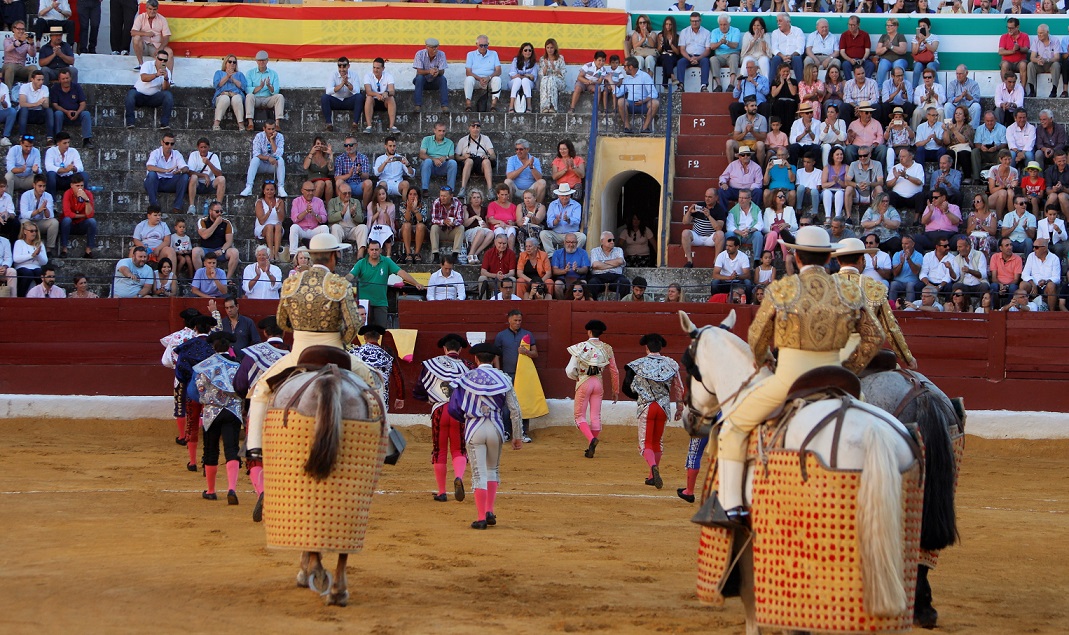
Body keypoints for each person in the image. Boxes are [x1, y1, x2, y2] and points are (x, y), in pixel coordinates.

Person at [709, 226, 884, 529]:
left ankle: (732, 508)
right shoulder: (851, 291)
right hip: (836, 381)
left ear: (794, 256)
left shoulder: (782, 290)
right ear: (829, 257)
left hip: (788, 382)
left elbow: (756, 338)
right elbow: (875, 337)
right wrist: (849, 370)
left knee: (732, 428)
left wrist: (768, 360)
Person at [244, 234, 385, 510]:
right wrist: (341, 341)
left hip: (299, 353)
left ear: (311, 256)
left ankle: (255, 447)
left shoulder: (291, 282)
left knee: (261, 389)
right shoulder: (340, 284)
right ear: (333, 257)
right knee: (374, 383)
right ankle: (387, 442)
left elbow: (282, 322)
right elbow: (354, 324)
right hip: (336, 349)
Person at [447, 342, 523, 530]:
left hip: (474, 427)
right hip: (496, 426)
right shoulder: (504, 378)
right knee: (492, 470)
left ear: (476, 358)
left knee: (479, 473)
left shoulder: (466, 377)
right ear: (495, 359)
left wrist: (465, 417)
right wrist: (517, 435)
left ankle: (481, 518)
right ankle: (489, 511)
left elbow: (454, 407)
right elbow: (515, 409)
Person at [832, 238, 916, 369]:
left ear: (838, 260)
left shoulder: (824, 285)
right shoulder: (874, 287)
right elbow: (890, 328)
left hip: (831, 354)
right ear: (862, 259)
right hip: (864, 354)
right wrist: (907, 358)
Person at [414, 334, 473, 502]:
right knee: (458, 449)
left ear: (444, 349)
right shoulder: (468, 366)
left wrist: (429, 400)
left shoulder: (431, 364)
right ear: (460, 350)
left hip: (439, 410)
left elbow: (419, 389)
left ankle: (441, 492)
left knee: (439, 451)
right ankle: (459, 477)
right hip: (459, 411)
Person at [192, 331, 243, 504]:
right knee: (232, 449)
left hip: (211, 412)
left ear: (213, 347)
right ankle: (232, 489)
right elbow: (244, 386)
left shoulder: (205, 365)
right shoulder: (238, 365)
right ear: (229, 347)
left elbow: (198, 389)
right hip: (232, 411)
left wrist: (207, 400)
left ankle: (211, 490)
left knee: (211, 450)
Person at [566, 320, 619, 459]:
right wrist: (615, 390)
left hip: (584, 381)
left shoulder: (581, 347)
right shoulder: (607, 348)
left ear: (589, 332)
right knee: (595, 415)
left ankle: (591, 440)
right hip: (598, 383)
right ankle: (591, 445)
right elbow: (614, 371)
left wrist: (576, 377)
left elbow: (570, 370)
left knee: (579, 416)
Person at [174, 314, 217, 471]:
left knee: (192, 424)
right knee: (210, 425)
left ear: (195, 329)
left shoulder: (187, 346)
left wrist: (189, 380)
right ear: (210, 328)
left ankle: (192, 462)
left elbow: (180, 371)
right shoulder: (216, 345)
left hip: (193, 391)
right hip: (213, 393)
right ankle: (208, 458)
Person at [348, 240, 424, 328]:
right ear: (368, 250)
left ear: (380, 250)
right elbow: (351, 275)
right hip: (364, 303)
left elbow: (401, 272)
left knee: (381, 330)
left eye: (376, 249)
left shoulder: (386, 261)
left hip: (381, 302)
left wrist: (416, 283)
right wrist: (343, 281)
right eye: (372, 249)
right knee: (362, 330)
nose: (374, 252)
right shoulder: (361, 263)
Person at [125, 47, 172, 129]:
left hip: (153, 97)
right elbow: (144, 78)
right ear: (156, 58)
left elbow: (165, 89)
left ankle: (164, 123)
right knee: (131, 94)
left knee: (168, 95)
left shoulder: (167, 71)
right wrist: (156, 75)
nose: (162, 62)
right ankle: (130, 122)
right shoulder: (147, 64)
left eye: (165, 60)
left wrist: (166, 78)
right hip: (139, 95)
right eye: (160, 59)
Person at [144, 131, 189, 214]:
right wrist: (165, 170)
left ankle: (177, 207)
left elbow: (185, 167)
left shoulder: (176, 154)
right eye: (167, 143)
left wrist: (181, 170)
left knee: (185, 176)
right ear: (162, 142)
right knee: (151, 175)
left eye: (172, 144)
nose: (169, 146)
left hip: (170, 182)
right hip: (156, 182)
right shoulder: (155, 153)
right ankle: (154, 206)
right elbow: (149, 166)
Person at [193, 201, 239, 281]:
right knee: (195, 251)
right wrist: (216, 224)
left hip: (220, 249)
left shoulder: (226, 223)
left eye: (221, 211)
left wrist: (222, 250)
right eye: (217, 211)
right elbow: (204, 235)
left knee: (235, 252)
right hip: (206, 250)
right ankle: (200, 278)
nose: (219, 213)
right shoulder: (202, 221)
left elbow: (229, 241)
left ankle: (227, 279)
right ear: (210, 211)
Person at [240, 121, 286, 198]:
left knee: (280, 160)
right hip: (261, 164)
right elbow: (256, 153)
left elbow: (278, 154)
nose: (271, 131)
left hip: (273, 165)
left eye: (273, 129)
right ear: (264, 129)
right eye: (269, 129)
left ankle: (281, 187)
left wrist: (272, 140)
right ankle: (249, 187)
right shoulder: (259, 136)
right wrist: (268, 158)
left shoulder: (280, 136)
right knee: (255, 160)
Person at [681, 188, 725, 268]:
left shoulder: (720, 209)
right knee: (685, 233)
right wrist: (689, 212)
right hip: (697, 237)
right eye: (706, 196)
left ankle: (716, 262)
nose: (707, 199)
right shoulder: (699, 206)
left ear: (716, 198)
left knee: (720, 234)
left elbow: (718, 228)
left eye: (710, 197)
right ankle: (689, 261)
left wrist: (709, 216)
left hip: (710, 238)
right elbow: (685, 222)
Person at [243, 50, 284, 132]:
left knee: (280, 97)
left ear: (267, 61)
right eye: (259, 60)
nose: (261, 62)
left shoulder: (273, 74)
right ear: (256, 61)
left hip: (268, 98)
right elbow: (247, 89)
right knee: (249, 96)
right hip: (256, 98)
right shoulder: (250, 73)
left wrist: (269, 86)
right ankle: (250, 123)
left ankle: (277, 124)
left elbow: (276, 91)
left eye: (263, 60)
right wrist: (260, 87)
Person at [321, 56, 363, 133]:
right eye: (339, 66)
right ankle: (329, 124)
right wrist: (341, 85)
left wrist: (347, 84)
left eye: (344, 66)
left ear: (348, 66)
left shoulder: (354, 75)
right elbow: (328, 91)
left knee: (359, 97)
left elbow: (357, 92)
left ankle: (355, 125)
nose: (342, 68)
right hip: (336, 100)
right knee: (324, 98)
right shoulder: (334, 74)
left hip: (349, 101)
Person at [19, 174, 57, 258]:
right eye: (40, 186)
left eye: (44, 186)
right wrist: (37, 211)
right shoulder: (26, 195)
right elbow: (24, 214)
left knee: (54, 223)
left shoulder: (48, 196)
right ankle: (27, 248)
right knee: (24, 223)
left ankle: (49, 249)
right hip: (28, 221)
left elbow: (50, 216)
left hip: (40, 222)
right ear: (34, 185)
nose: (42, 189)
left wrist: (45, 209)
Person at [185, 137, 225, 216]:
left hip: (210, 183)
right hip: (198, 183)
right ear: (198, 148)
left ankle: (218, 207)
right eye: (201, 147)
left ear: (208, 147)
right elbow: (190, 172)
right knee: (193, 177)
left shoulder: (213, 156)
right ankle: (192, 206)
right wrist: (204, 175)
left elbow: (219, 174)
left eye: (205, 147)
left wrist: (209, 163)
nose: (203, 149)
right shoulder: (193, 155)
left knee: (222, 179)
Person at [540, 183, 585, 252]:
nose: (564, 197)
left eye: (566, 195)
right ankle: (551, 255)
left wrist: (568, 220)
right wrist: (556, 221)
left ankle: (573, 253)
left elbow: (577, 221)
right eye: (562, 196)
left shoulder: (576, 205)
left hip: (571, 234)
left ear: (570, 195)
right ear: (558, 195)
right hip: (556, 234)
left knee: (582, 237)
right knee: (543, 234)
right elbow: (549, 222)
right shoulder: (552, 204)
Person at [455, 121, 496, 198]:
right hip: (468, 163)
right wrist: (464, 157)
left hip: (481, 163)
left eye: (477, 127)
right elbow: (456, 157)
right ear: (469, 128)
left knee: (487, 162)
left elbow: (493, 155)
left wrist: (488, 156)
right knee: (469, 161)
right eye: (473, 126)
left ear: (480, 128)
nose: (475, 129)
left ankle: (490, 189)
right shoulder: (463, 140)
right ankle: (463, 188)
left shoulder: (485, 138)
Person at [59, 172, 94, 258]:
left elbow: (90, 214)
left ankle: (88, 251)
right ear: (72, 185)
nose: (80, 188)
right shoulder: (67, 193)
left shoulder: (88, 194)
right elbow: (68, 213)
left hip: (81, 224)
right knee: (66, 220)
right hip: (69, 224)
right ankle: (64, 249)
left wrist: (86, 200)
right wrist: (83, 216)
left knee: (92, 222)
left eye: (81, 186)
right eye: (77, 186)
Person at [674, 12, 711, 93]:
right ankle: (680, 85)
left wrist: (698, 58)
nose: (694, 23)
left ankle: (703, 86)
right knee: (680, 62)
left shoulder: (706, 32)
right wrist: (690, 58)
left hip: (701, 57)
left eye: (696, 21)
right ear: (690, 21)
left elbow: (708, 50)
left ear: (700, 21)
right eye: (692, 21)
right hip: (688, 56)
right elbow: (682, 49)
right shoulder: (684, 32)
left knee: (705, 61)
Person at [1020, 238, 1060, 310]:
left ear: (1044, 248)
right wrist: (1033, 284)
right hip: (1033, 286)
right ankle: (1024, 310)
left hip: (1046, 287)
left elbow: (1057, 278)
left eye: (1036, 247)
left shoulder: (1054, 258)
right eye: (1033, 247)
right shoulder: (1031, 256)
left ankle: (1052, 313)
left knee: (1051, 285)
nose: (1034, 249)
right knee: (1023, 284)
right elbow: (1024, 274)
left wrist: (1046, 281)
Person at [588, 231, 629, 300]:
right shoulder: (595, 251)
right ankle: (593, 307)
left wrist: (602, 262)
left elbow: (620, 261)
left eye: (613, 240)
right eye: (609, 240)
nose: (612, 242)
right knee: (592, 283)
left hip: (615, 277)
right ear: (602, 241)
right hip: (599, 278)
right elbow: (595, 265)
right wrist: (613, 265)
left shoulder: (618, 250)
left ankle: (624, 307)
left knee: (625, 283)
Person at [210, 54, 246, 132]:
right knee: (224, 99)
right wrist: (227, 76)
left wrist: (232, 79)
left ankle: (241, 125)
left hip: (236, 94)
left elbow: (243, 87)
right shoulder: (219, 73)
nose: (232, 64)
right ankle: (216, 124)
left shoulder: (240, 74)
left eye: (234, 62)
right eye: (230, 62)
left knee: (237, 99)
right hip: (222, 94)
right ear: (225, 63)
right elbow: (217, 85)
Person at [362, 57, 398, 134]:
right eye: (374, 67)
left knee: (391, 98)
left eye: (378, 68)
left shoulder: (388, 76)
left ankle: (392, 126)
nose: (375, 70)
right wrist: (377, 94)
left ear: (383, 68)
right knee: (368, 98)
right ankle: (369, 126)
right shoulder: (367, 76)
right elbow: (368, 91)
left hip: (384, 100)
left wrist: (386, 93)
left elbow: (392, 91)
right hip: (373, 100)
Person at [420, 122, 457, 195]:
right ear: (434, 130)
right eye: (439, 131)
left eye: (443, 131)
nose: (442, 133)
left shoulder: (450, 143)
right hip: (430, 166)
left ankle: (450, 190)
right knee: (427, 161)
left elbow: (452, 157)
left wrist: (446, 158)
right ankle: (425, 189)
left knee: (453, 163)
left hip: (442, 166)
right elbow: (421, 154)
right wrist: (434, 159)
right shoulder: (427, 139)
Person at [413, 38, 449, 114]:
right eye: (433, 48)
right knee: (419, 78)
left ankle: (444, 105)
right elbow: (419, 71)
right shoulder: (419, 54)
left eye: (436, 47)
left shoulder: (441, 54)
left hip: (435, 81)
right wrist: (429, 71)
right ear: (427, 47)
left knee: (443, 79)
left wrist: (437, 72)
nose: (435, 50)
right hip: (423, 81)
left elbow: (442, 71)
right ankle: (417, 105)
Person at [374, 135, 414, 201]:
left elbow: (411, 174)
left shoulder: (401, 158)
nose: (392, 148)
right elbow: (376, 173)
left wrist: (407, 164)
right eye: (390, 146)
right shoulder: (380, 159)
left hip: (397, 184)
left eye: (394, 146)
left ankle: (405, 207)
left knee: (406, 184)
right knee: (382, 185)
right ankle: (381, 208)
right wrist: (385, 162)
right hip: (385, 183)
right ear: (385, 146)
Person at [725, 187, 763, 255]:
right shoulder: (733, 211)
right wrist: (739, 232)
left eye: (744, 198)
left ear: (750, 199)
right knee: (728, 234)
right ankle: (730, 257)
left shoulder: (757, 209)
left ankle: (756, 260)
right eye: (740, 197)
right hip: (737, 234)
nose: (741, 200)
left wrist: (749, 230)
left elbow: (760, 224)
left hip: (751, 234)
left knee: (758, 235)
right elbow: (729, 226)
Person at [989, 236, 1023, 306]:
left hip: (1011, 285)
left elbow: (1016, 279)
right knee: (993, 286)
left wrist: (1006, 286)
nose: (1010, 247)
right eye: (1007, 245)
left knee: (1013, 287)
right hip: (998, 284)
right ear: (1001, 248)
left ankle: (1008, 308)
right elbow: (994, 278)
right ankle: (995, 309)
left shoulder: (1017, 259)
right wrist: (1000, 285)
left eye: (1011, 245)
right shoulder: (995, 257)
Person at [2, 21, 36, 89]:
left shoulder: (26, 42)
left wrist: (31, 44)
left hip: (21, 67)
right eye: (19, 29)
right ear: (13, 29)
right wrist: (20, 41)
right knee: (10, 68)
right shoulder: (8, 40)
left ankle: (29, 91)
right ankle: (8, 93)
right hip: (9, 65)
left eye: (23, 29)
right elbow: (8, 49)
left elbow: (32, 55)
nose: (21, 31)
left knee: (33, 68)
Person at [998, 17, 1030, 89]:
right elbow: (1000, 52)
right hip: (1008, 62)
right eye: (1008, 27)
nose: (1009, 29)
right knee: (1004, 65)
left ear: (1017, 27)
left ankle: (1022, 89)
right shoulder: (1004, 37)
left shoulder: (1024, 36)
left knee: (1023, 65)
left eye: (1011, 28)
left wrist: (1019, 48)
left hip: (1020, 61)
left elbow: (1026, 49)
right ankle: (1005, 88)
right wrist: (1012, 51)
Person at [507, 42, 538, 113]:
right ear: (522, 51)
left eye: (530, 50)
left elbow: (533, 77)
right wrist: (526, 75)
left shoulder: (533, 62)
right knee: (518, 80)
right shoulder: (516, 60)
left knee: (525, 81)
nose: (528, 52)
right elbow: (513, 75)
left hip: (528, 83)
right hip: (515, 82)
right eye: (525, 50)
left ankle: (529, 106)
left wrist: (522, 76)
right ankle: (511, 106)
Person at [539, 38, 567, 113]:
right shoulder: (542, 59)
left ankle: (553, 106)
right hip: (546, 82)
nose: (549, 50)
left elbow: (563, 73)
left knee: (551, 79)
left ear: (555, 48)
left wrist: (554, 68)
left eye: (551, 48)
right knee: (545, 79)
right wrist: (546, 67)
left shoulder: (560, 58)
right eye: (547, 48)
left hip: (559, 82)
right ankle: (544, 107)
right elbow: (542, 74)